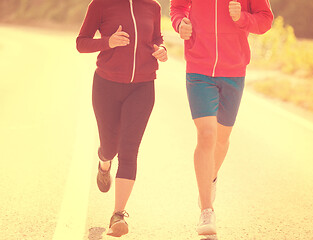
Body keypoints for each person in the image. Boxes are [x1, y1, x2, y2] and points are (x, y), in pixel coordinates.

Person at [170, 0, 273, 236]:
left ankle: (210, 178)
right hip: (198, 68)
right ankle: (207, 209)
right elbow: (177, 8)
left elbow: (265, 20)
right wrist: (180, 24)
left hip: (233, 71)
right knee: (207, 135)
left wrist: (243, 19)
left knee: (222, 140)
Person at [76, 0, 167, 237]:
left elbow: (157, 37)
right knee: (110, 147)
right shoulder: (101, 5)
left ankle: (118, 214)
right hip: (107, 85)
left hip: (143, 86)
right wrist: (108, 42)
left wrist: (161, 50)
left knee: (129, 150)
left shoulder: (153, 6)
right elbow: (81, 43)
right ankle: (104, 161)